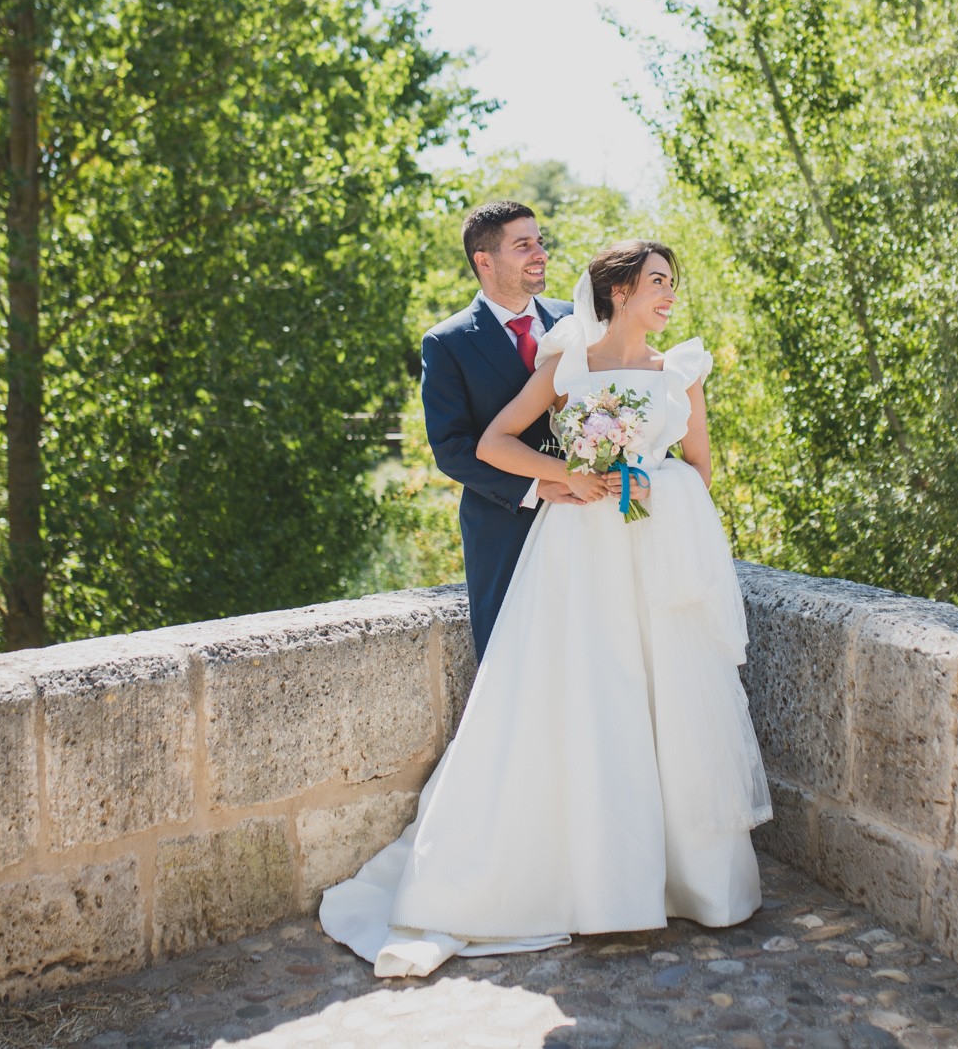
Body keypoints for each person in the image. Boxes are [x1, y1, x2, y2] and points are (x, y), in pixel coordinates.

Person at [321, 239, 771, 978]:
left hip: (650, 557)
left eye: (671, 285)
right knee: (587, 699)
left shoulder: (681, 371)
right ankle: (586, 883)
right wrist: (568, 474)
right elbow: (495, 440)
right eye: (657, 282)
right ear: (619, 290)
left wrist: (649, 483)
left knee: (666, 704)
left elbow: (699, 472)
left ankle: (687, 880)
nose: (669, 296)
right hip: (574, 557)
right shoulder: (568, 364)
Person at [417, 201, 582, 661]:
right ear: (484, 261)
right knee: (515, 661)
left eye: (540, 242)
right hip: (504, 527)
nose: (541, 253)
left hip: (587, 521)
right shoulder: (446, 342)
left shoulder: (574, 321)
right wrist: (536, 485)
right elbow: (452, 449)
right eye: (523, 245)